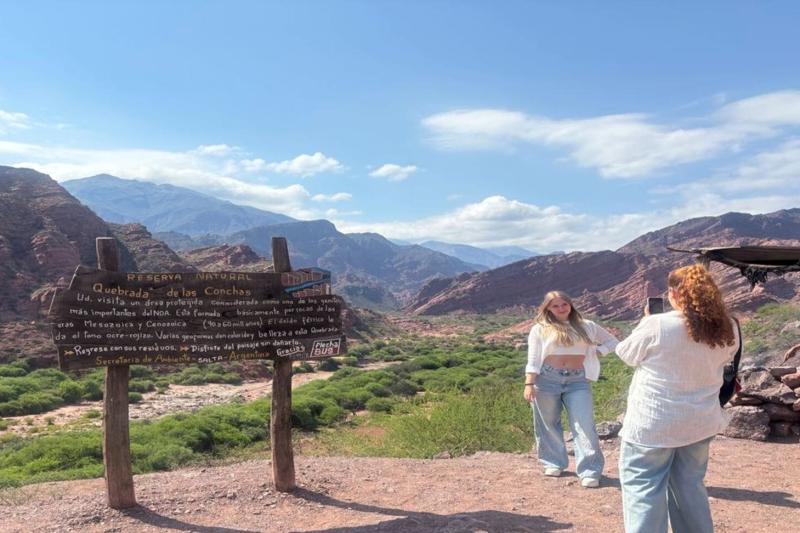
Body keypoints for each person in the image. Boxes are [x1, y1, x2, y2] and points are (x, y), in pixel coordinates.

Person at [615, 264, 739, 533]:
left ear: (674, 293)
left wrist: (647, 319)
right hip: (701, 422)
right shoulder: (729, 326)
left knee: (644, 489)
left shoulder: (658, 324)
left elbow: (625, 354)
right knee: (690, 487)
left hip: (653, 425)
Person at [524, 290, 619, 488]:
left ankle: (590, 470)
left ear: (571, 305)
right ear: (548, 308)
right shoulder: (540, 329)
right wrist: (529, 383)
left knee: (583, 423)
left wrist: (597, 352)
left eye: (564, 304)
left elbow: (613, 342)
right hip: (546, 378)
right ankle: (554, 462)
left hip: (578, 380)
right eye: (555, 306)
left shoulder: (588, 326)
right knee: (548, 423)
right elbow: (533, 359)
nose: (561, 309)